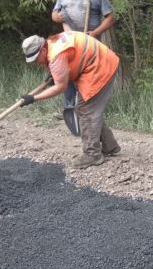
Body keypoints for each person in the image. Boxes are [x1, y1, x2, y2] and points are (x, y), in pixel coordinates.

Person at [19, 31, 121, 169]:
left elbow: (61, 87)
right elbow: (61, 66)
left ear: (43, 49)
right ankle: (110, 146)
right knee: (88, 110)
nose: (37, 62)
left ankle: (93, 154)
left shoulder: (56, 55)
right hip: (97, 61)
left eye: (37, 58)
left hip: (99, 67)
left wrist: (33, 98)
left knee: (86, 110)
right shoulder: (52, 44)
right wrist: (53, 76)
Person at [52, 0, 115, 110]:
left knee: (86, 76)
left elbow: (110, 18)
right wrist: (57, 18)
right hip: (69, 41)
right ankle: (69, 107)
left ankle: (85, 108)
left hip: (89, 42)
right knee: (67, 73)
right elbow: (55, 14)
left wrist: (95, 33)